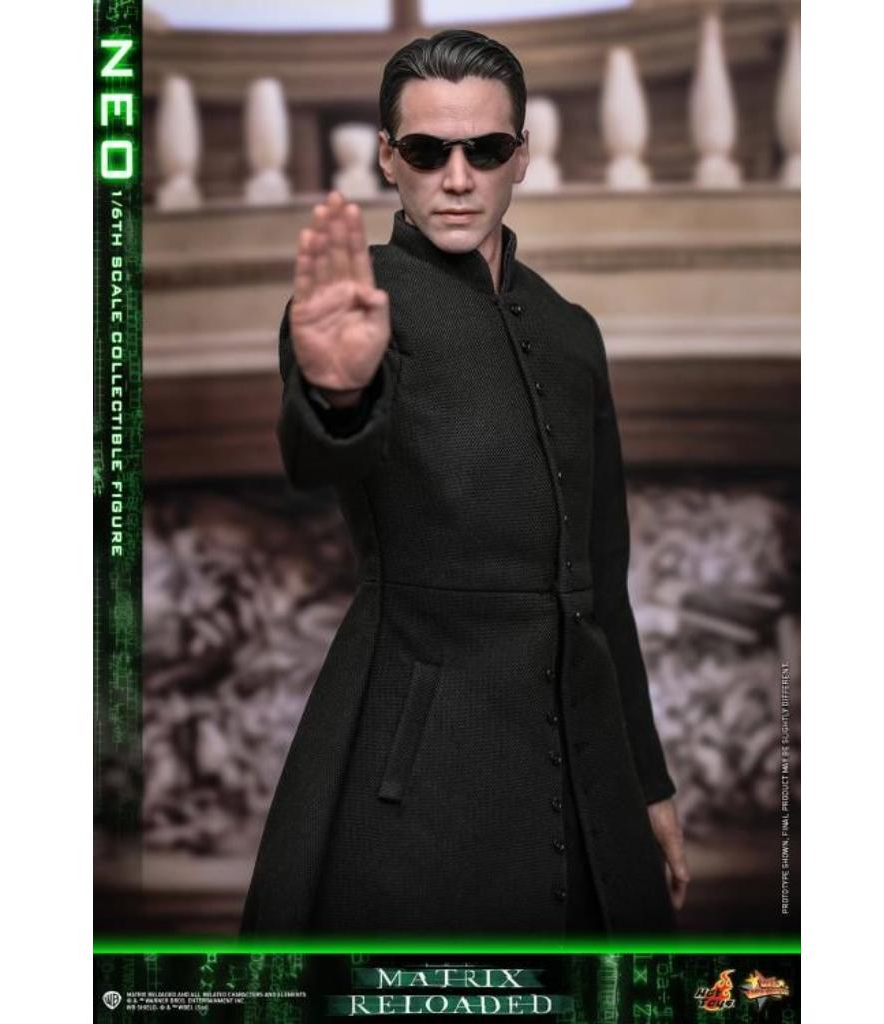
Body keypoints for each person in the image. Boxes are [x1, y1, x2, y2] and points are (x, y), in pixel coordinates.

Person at [240, 28, 690, 938]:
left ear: (520, 156)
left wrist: (647, 781)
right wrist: (336, 391)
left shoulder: (571, 330)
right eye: (426, 150)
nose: (456, 177)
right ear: (387, 158)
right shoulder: (353, 301)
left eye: (483, 150)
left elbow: (602, 587)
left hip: (589, 774)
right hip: (419, 770)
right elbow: (317, 455)